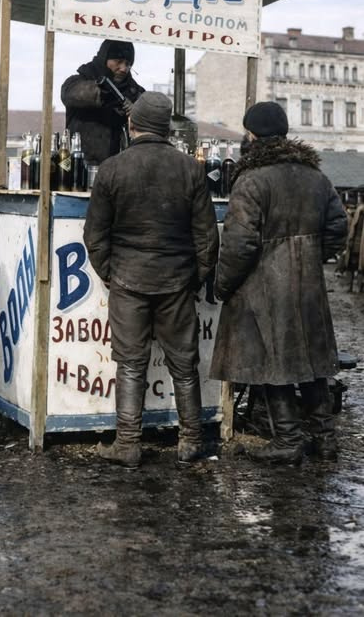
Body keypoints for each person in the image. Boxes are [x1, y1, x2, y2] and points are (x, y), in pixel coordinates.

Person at [83, 91, 219, 468]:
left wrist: (110, 274)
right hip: (176, 281)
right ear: (166, 129)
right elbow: (208, 238)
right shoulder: (191, 169)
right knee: (184, 364)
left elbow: (95, 235)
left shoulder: (112, 169)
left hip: (128, 280)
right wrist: (195, 278)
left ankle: (127, 444)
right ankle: (191, 441)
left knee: (130, 364)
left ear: (132, 124)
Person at [209, 101, 348, 464]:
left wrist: (222, 284)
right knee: (312, 362)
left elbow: (240, 244)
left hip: (263, 287)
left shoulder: (250, 180)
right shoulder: (315, 176)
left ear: (252, 135)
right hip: (308, 288)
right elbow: (338, 227)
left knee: (271, 362)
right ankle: (324, 438)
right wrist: (312, 258)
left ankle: (287, 440)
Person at [61, 39, 146, 165]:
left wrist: (138, 112)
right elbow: (71, 94)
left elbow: (153, 119)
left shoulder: (136, 93)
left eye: (128, 64)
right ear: (104, 59)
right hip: (79, 165)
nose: (124, 68)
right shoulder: (77, 81)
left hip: (123, 167)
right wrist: (105, 93)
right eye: (118, 61)